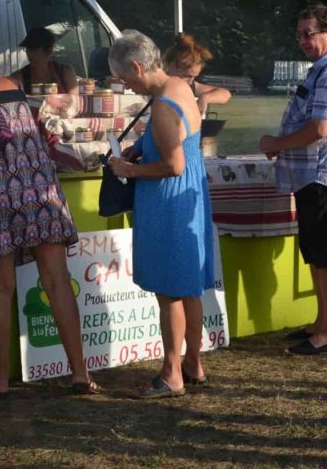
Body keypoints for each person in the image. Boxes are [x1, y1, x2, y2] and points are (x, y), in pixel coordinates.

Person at [0, 42, 96, 396]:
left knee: (0, 288)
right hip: (41, 188)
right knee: (57, 281)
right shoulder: (16, 87)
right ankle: (80, 373)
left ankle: (0, 381)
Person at [107, 30, 215, 398]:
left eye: (125, 77)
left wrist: (130, 171)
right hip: (189, 197)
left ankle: (172, 374)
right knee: (189, 289)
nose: (127, 85)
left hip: (170, 201)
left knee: (170, 292)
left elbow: (173, 165)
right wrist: (142, 148)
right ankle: (193, 364)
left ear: (138, 66)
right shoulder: (179, 87)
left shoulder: (163, 105)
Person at [258, 4, 327, 355]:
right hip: (311, 175)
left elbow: (320, 127)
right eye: (299, 34)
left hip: (322, 174)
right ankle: (321, 323)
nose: (302, 40)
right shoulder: (324, 69)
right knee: (317, 252)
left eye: (308, 33)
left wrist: (277, 144)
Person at [162, 33, 232, 116]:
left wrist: (205, 98)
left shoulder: (191, 87)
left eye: (194, 77)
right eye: (187, 76)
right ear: (172, 66)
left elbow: (225, 94)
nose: (191, 82)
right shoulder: (152, 87)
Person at [11, 27, 78, 93]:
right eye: (27, 49)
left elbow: (75, 101)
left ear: (49, 51)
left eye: (34, 49)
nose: (29, 53)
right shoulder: (19, 77)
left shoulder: (65, 73)